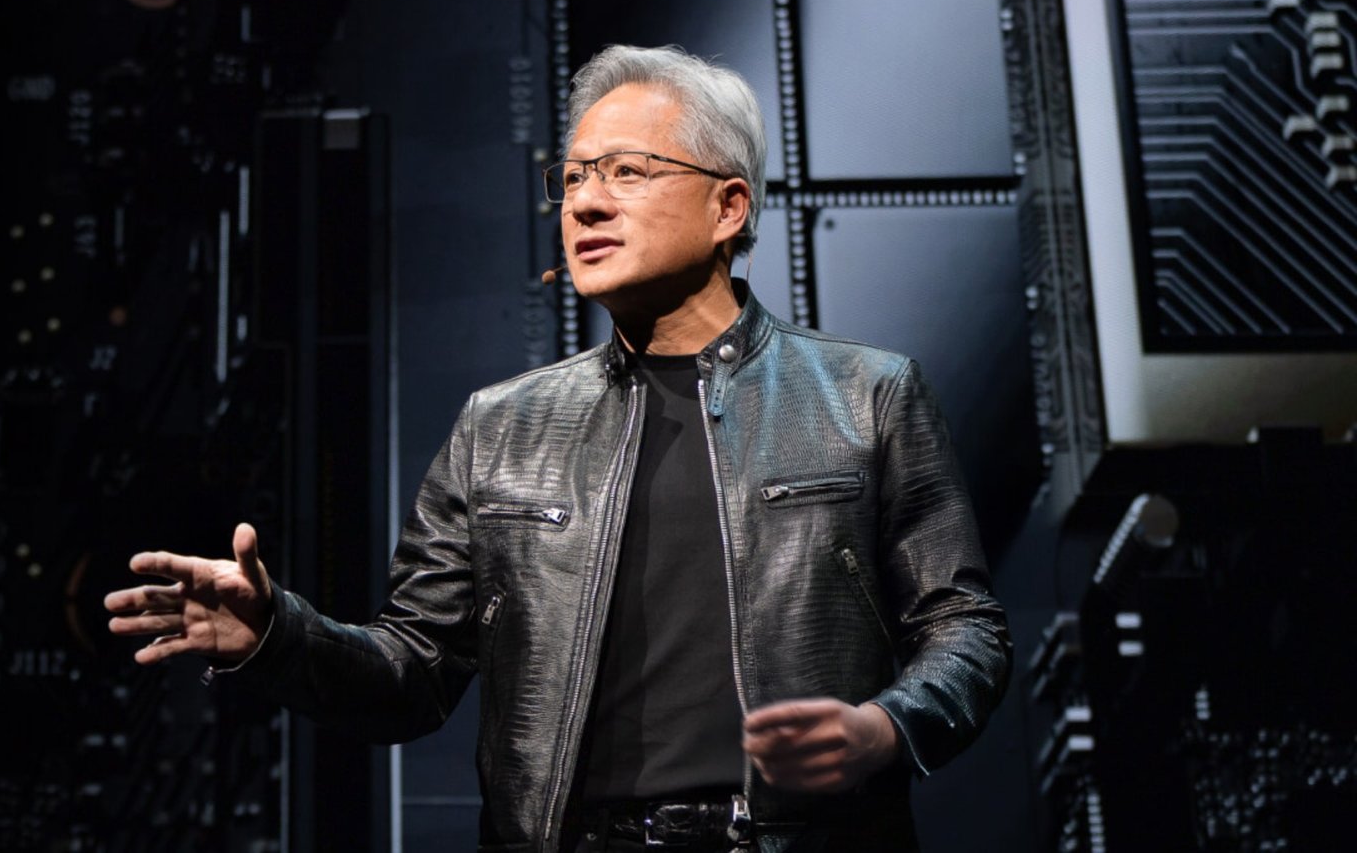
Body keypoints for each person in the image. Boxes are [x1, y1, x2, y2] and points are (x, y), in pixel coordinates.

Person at [105, 44, 1011, 852]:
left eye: (625, 172)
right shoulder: (500, 427)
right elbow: (411, 673)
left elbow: (964, 630)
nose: (584, 202)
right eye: (571, 179)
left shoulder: (865, 395)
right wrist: (275, 635)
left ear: (728, 206)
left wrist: (885, 730)